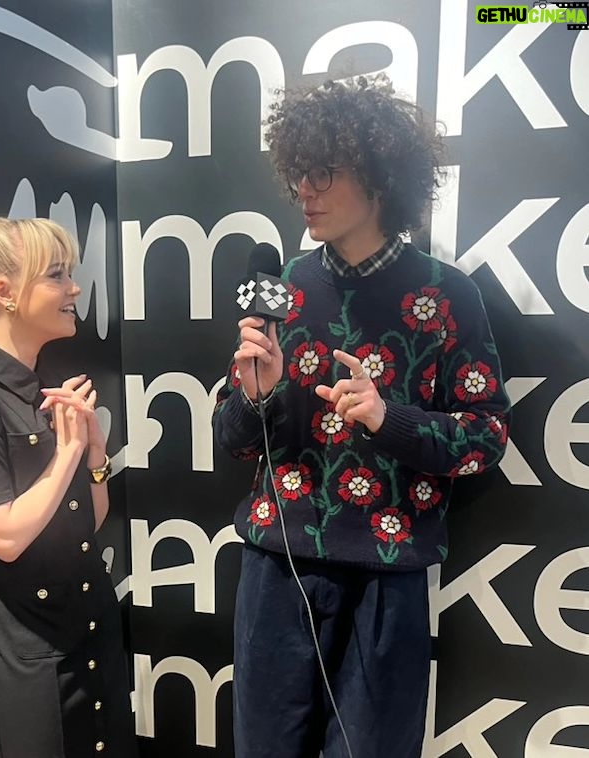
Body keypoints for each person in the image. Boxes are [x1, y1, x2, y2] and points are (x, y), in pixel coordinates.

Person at [212, 75, 511, 758]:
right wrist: (257, 395)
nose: (305, 191)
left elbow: (485, 436)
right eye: (298, 174)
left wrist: (388, 419)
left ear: (379, 176)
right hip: (278, 572)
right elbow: (231, 439)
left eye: (323, 172)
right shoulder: (279, 291)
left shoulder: (447, 294)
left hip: (388, 573)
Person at [0, 204, 136, 758]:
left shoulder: (42, 388)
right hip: (31, 649)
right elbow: (5, 537)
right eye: (57, 273)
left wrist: (93, 455)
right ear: (5, 291)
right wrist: (66, 454)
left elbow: (86, 522)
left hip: (92, 628)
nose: (74, 286)